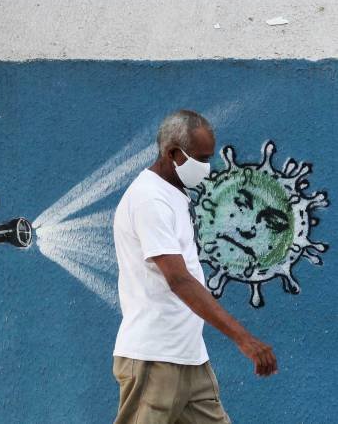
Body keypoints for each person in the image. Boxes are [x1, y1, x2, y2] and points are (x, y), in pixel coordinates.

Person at [112, 110, 277, 424]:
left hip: (188, 358)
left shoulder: (172, 194)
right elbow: (178, 279)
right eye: (201, 159)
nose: (207, 167)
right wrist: (243, 338)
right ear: (173, 154)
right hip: (155, 359)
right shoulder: (150, 200)